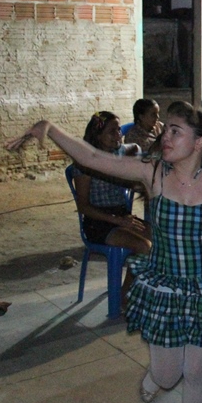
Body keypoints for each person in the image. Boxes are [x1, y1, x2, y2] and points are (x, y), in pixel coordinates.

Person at [7, 101, 202, 403]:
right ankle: (155, 377)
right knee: (168, 375)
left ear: (199, 142)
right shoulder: (152, 173)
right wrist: (50, 128)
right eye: (166, 128)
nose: (165, 136)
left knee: (196, 372)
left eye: (175, 131)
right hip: (164, 287)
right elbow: (93, 157)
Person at [70, 112, 152, 286]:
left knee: (163, 237)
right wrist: (117, 220)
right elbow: (83, 206)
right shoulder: (85, 163)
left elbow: (135, 148)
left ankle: (143, 289)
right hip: (98, 223)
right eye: (112, 131)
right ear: (97, 135)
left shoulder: (118, 154)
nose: (118, 135)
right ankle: (125, 294)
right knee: (144, 247)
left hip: (123, 217)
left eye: (119, 130)